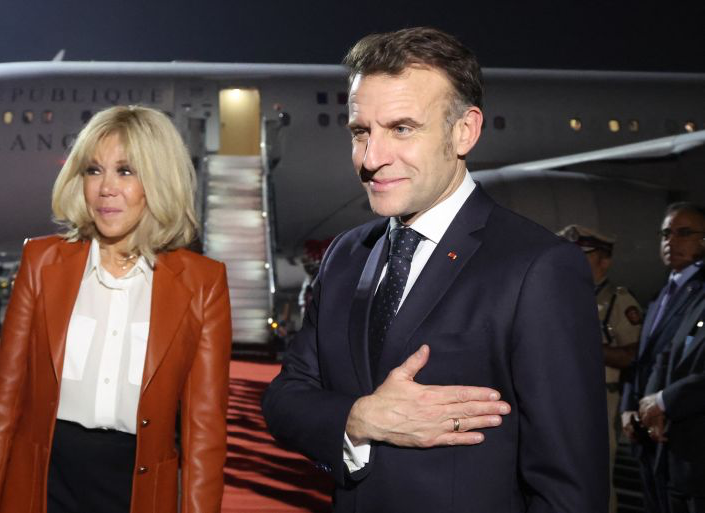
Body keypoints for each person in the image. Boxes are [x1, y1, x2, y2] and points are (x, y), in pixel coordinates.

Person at [262, 27, 608, 512]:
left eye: (402, 129)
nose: (371, 159)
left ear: (464, 131)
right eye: (361, 132)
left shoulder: (538, 268)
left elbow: (569, 489)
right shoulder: (346, 255)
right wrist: (359, 418)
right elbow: (284, 400)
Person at [0, 105, 232, 513]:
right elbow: (2, 409)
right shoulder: (41, 263)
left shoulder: (202, 284)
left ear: (159, 180)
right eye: (94, 170)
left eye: (125, 171)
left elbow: (205, 435)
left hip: (136, 494)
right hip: (42, 488)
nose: (106, 188)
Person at [620, 202, 705, 513]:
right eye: (666, 234)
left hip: (687, 435)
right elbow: (649, 358)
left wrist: (663, 401)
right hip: (651, 432)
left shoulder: (698, 291)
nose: (672, 241)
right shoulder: (660, 295)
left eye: (684, 233)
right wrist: (630, 406)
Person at [558, 224, 642, 513]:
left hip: (599, 401)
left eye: (581, 254)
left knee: (595, 479)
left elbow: (632, 355)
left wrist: (581, 344)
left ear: (604, 260)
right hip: (559, 398)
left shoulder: (618, 300)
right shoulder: (559, 295)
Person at [640, 277, 705, 513]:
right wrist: (652, 400)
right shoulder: (700, 298)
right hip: (678, 461)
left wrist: (663, 401)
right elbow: (674, 349)